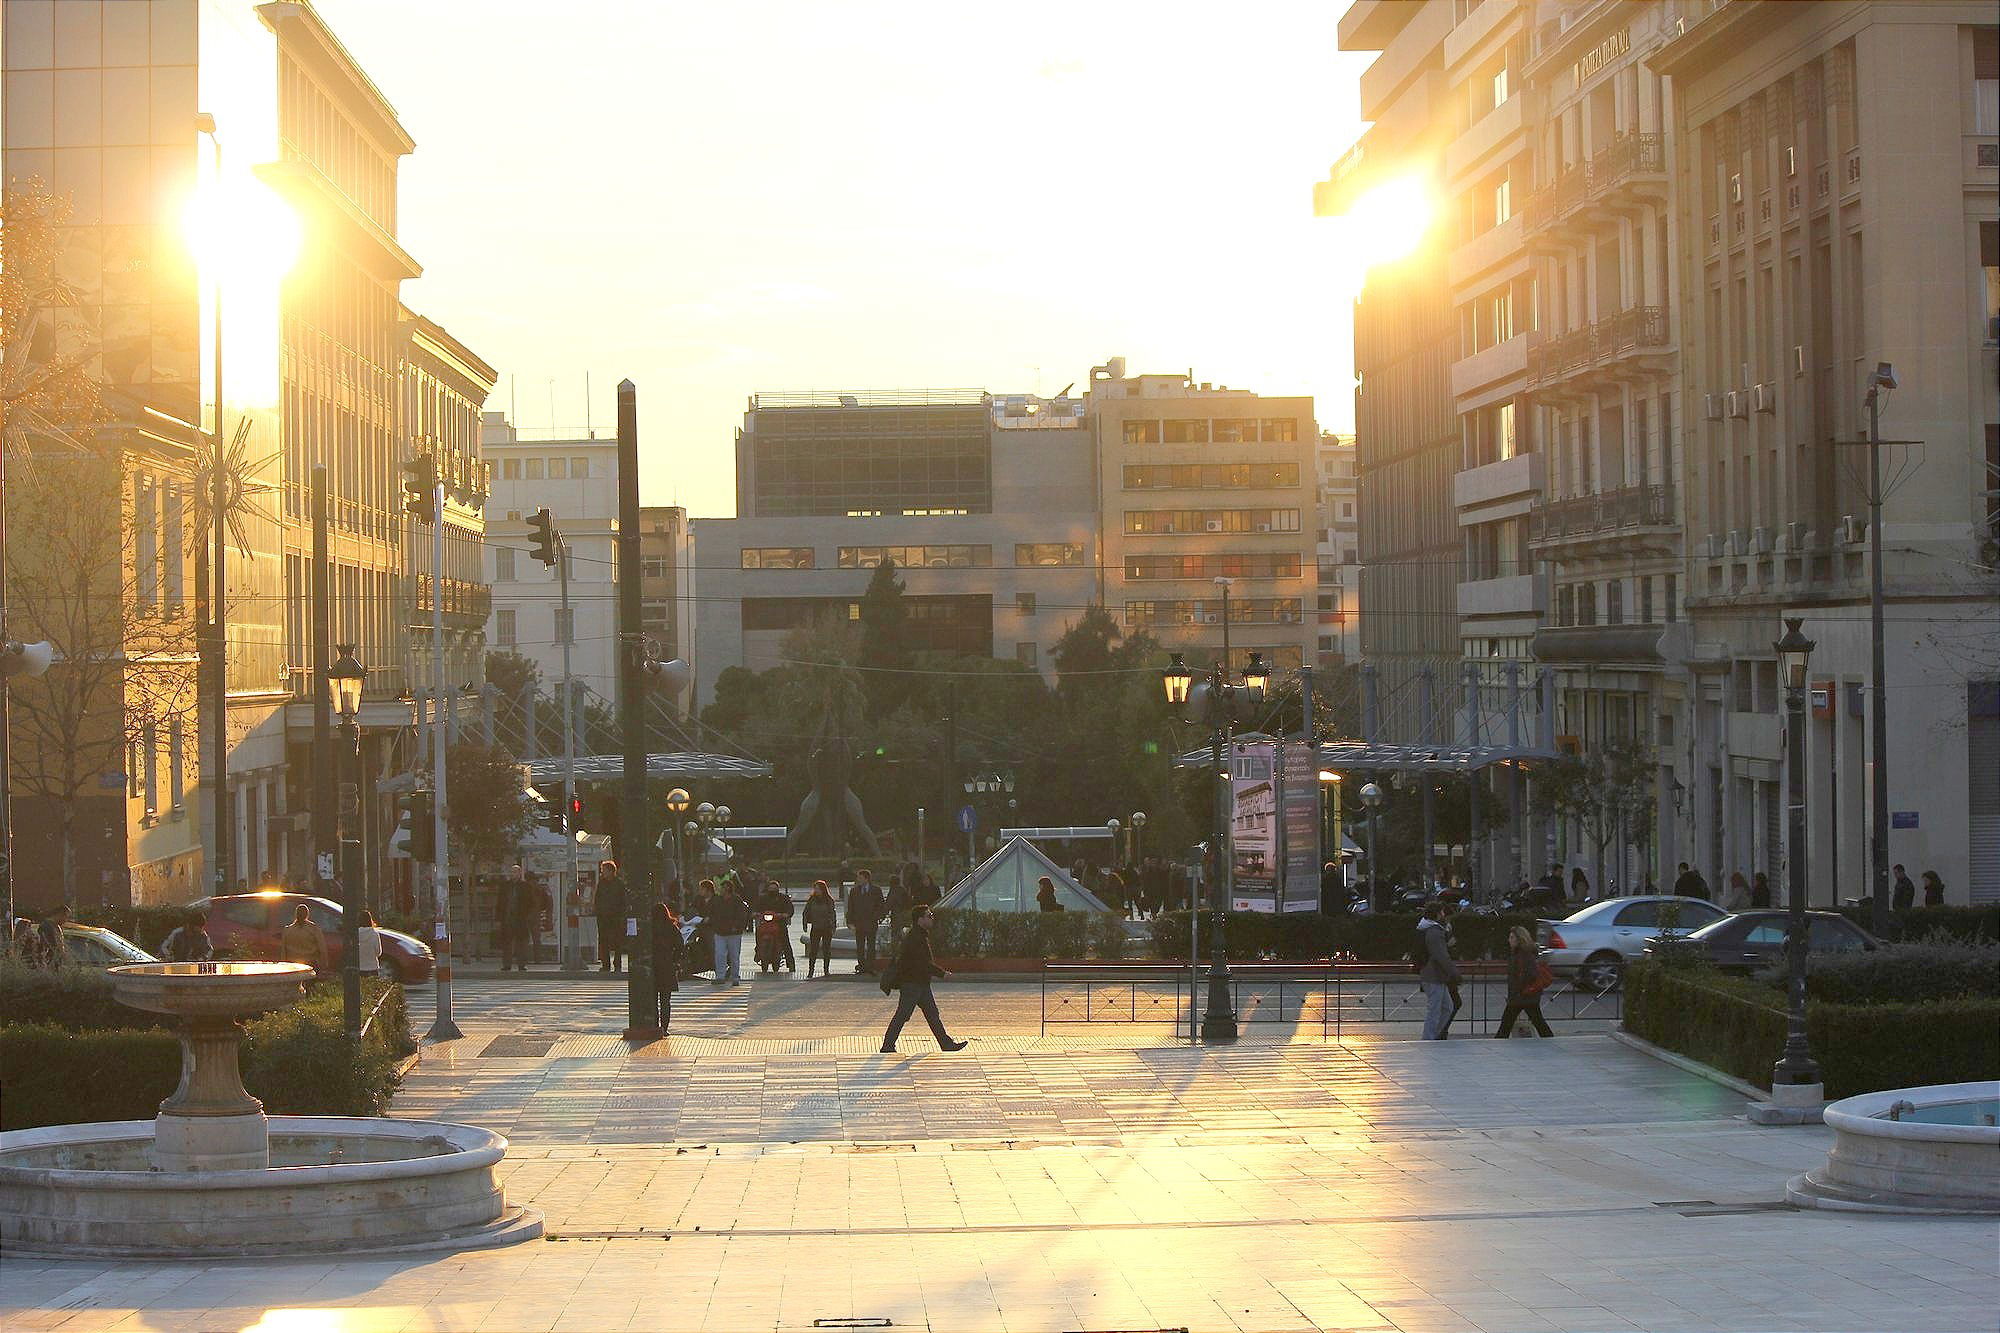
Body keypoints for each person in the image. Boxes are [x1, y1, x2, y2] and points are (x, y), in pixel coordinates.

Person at [879, 904, 967, 1054]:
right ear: (920, 920)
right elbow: (922, 963)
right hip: (912, 984)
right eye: (929, 916)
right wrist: (942, 973)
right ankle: (887, 1045)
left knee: (932, 1015)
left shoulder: (919, 935)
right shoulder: (915, 938)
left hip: (920, 983)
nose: (932, 918)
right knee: (903, 1015)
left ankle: (946, 1044)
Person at [1496, 925, 1555, 1038]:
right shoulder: (1523, 953)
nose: (1509, 940)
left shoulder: (1522, 954)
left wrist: (1518, 990)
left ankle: (1498, 1042)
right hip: (1526, 995)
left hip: (1521, 996)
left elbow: (1528, 974)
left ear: (1520, 939)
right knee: (1538, 1022)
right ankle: (1549, 1039)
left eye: (1512, 937)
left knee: (1506, 1024)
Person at [1416, 899, 1461, 1041]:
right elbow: (1441, 956)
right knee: (1435, 1010)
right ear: (1436, 914)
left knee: (1447, 1007)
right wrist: (1454, 973)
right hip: (1434, 975)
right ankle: (1429, 1039)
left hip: (1436, 975)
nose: (1443, 914)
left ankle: (1434, 1035)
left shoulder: (1429, 928)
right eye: (1441, 912)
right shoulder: (1434, 932)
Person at [649, 900, 683, 1033]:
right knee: (665, 1000)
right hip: (667, 965)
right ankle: (664, 1027)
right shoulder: (671, 926)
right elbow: (680, 944)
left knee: (652, 1000)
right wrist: (675, 959)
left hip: (653, 966)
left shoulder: (650, 927)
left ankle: (655, 1025)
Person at [710, 875, 749, 985]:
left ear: (727, 888)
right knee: (720, 955)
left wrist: (737, 926)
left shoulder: (736, 900)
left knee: (734, 955)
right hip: (720, 932)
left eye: (722, 888)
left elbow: (742, 915)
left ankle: (735, 977)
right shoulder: (717, 900)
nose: (720, 890)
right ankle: (720, 976)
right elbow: (712, 913)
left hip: (734, 933)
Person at [497, 864, 533, 971]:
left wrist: (527, 915)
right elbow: (500, 902)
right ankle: (506, 964)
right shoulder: (505, 886)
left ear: (519, 873)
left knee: (521, 942)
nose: (513, 874)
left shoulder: (525, 886)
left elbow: (531, 902)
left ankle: (522, 964)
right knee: (507, 942)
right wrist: (498, 918)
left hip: (521, 918)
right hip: (507, 918)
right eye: (511, 872)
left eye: (515, 872)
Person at [595, 860, 628, 973]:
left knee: (617, 941)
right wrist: (598, 911)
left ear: (611, 871)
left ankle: (617, 964)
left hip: (616, 916)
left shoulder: (619, 884)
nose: (602, 873)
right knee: (604, 941)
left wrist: (622, 915)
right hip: (603, 917)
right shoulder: (601, 883)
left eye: (604, 870)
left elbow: (623, 900)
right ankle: (606, 964)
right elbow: (597, 898)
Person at [849, 869, 885, 974]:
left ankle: (870, 967)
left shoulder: (876, 890)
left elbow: (881, 905)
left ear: (866, 878)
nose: (858, 879)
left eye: (860, 877)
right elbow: (851, 907)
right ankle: (861, 966)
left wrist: (877, 917)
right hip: (859, 923)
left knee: (871, 946)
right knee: (860, 946)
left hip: (871, 922)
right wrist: (850, 922)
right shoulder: (854, 891)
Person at [757, 880, 796, 972]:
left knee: (786, 943)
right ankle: (758, 952)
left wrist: (785, 914)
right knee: (758, 935)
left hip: (779, 923)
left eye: (774, 888)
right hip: (765, 924)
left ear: (778, 889)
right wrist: (755, 913)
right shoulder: (763, 898)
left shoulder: (783, 898)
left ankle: (791, 964)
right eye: (770, 888)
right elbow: (756, 907)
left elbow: (790, 909)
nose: (772, 890)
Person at [280, 904, 327, 979]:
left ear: (296, 914)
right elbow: (322, 950)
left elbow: (283, 952)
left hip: (292, 966)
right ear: (307, 914)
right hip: (310, 965)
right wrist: (324, 966)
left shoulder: (287, 930)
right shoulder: (313, 929)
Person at [802, 880, 837, 978]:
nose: (816, 890)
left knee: (826, 949)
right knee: (813, 950)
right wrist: (804, 924)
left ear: (823, 889)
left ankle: (826, 970)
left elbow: (832, 913)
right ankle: (811, 971)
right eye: (815, 888)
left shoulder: (828, 899)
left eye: (818, 888)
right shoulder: (812, 899)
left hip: (826, 927)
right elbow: (806, 912)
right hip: (816, 927)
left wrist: (833, 925)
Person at [355, 908, 383, 977]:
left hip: (359, 967)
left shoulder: (355, 934)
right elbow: (378, 952)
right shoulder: (374, 934)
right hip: (372, 967)